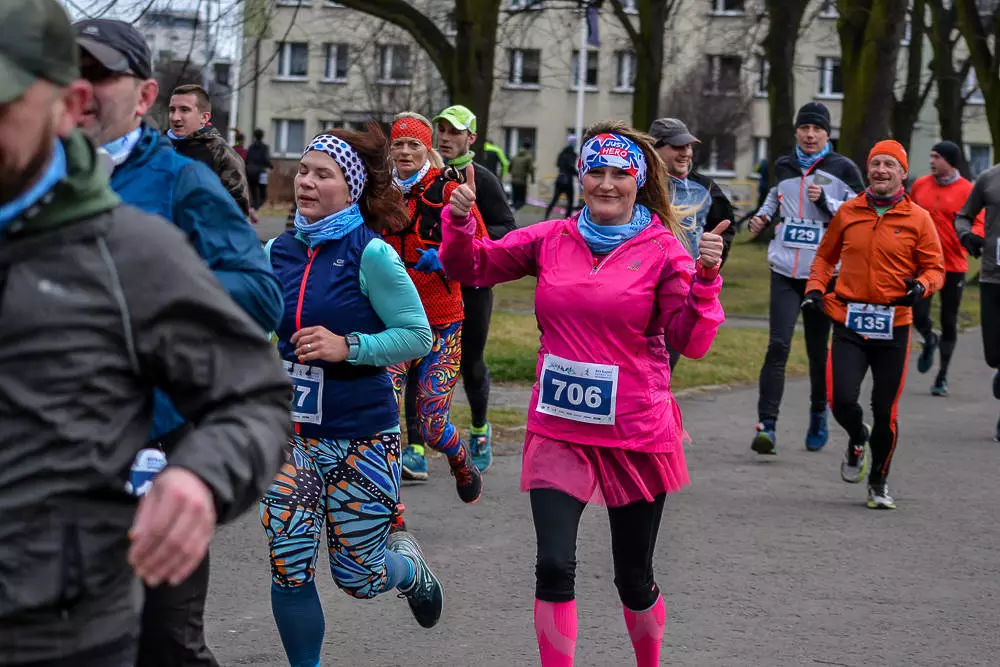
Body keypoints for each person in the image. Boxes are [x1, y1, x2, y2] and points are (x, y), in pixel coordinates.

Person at [0, 2, 291, 665]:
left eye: (101, 75)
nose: (92, 91)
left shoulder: (173, 189)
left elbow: (259, 302)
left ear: (143, 96)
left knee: (168, 642)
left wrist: (141, 322)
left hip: (153, 451)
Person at [441, 121, 727, 667]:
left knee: (633, 578)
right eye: (596, 171)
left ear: (639, 181)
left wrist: (707, 279)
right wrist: (457, 221)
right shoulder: (553, 238)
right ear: (581, 176)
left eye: (620, 174)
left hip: (634, 431)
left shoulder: (665, 251)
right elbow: (471, 265)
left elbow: (690, 342)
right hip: (559, 428)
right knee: (553, 566)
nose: (606, 184)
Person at [260, 123, 444, 667]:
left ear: (353, 186)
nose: (306, 183)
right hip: (291, 437)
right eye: (303, 172)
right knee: (288, 560)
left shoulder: (373, 255)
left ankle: (406, 568)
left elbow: (417, 334)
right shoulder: (277, 252)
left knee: (358, 576)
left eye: (323, 174)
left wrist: (349, 346)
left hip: (362, 436)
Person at [806, 140, 944, 510]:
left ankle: (878, 481)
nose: (881, 170)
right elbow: (824, 258)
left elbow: (935, 268)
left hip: (894, 325)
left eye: (889, 165)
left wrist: (922, 285)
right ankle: (856, 437)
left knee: (886, 411)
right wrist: (816, 289)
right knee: (841, 400)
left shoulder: (918, 218)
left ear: (902, 173)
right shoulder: (849, 212)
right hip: (850, 320)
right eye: (875, 164)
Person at [748, 102, 864, 454]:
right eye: (804, 128)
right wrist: (762, 218)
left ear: (828, 134)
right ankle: (766, 424)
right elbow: (774, 197)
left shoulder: (843, 169)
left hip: (823, 273)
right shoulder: (782, 165)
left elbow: (859, 214)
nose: (810, 135)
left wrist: (827, 200)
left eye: (817, 129)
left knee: (817, 352)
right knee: (778, 345)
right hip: (784, 269)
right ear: (797, 131)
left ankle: (818, 413)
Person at [384, 112, 485, 501]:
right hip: (392, 322)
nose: (405, 151)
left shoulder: (447, 188)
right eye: (398, 144)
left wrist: (445, 257)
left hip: (442, 321)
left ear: (427, 148)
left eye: (413, 144)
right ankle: (390, 505)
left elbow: (481, 248)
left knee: (431, 424)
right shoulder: (379, 193)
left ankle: (460, 460)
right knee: (381, 415)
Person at [434, 104, 518, 472]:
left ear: (471, 138)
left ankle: (480, 429)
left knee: (470, 363)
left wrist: (473, 240)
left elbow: (507, 229)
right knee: (421, 360)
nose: (446, 138)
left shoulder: (481, 179)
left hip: (472, 287)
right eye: (442, 130)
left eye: (454, 132)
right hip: (430, 284)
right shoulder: (429, 175)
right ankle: (417, 446)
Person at [909, 141, 985, 395]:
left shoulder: (967, 190)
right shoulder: (921, 185)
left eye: (937, 157)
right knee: (917, 314)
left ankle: (941, 377)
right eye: (930, 156)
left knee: (950, 320)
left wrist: (974, 237)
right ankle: (929, 336)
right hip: (922, 263)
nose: (931, 161)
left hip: (953, 265)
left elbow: (979, 221)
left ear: (950, 161)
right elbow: (907, 212)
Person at [955, 162, 1000, 439]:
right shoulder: (990, 178)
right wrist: (966, 235)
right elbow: (963, 216)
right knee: (994, 354)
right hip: (993, 276)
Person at [167, 83, 251, 216]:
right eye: (172, 110)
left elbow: (237, 212)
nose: (175, 117)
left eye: (184, 110)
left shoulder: (221, 154)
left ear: (204, 117)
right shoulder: (159, 148)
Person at [544, 134, 578, 220]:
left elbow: (558, 164)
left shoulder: (562, 153)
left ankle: (546, 217)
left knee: (554, 200)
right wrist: (578, 174)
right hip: (568, 181)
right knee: (570, 202)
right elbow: (571, 167)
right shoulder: (573, 154)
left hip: (560, 179)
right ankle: (567, 219)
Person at [246, 127, 273, 210]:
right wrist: (271, 166)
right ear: (262, 136)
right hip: (262, 172)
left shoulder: (250, 147)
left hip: (250, 172)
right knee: (263, 190)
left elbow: (247, 159)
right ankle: (260, 205)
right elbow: (266, 159)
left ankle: (254, 205)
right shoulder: (264, 147)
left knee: (253, 190)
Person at [509, 139, 536, 210]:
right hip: (522, 181)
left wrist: (512, 173)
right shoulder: (528, 157)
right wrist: (533, 179)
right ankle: (518, 213)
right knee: (521, 200)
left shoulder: (515, 156)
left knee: (514, 198)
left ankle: (513, 211)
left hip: (513, 180)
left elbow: (509, 167)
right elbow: (531, 169)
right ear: (529, 148)